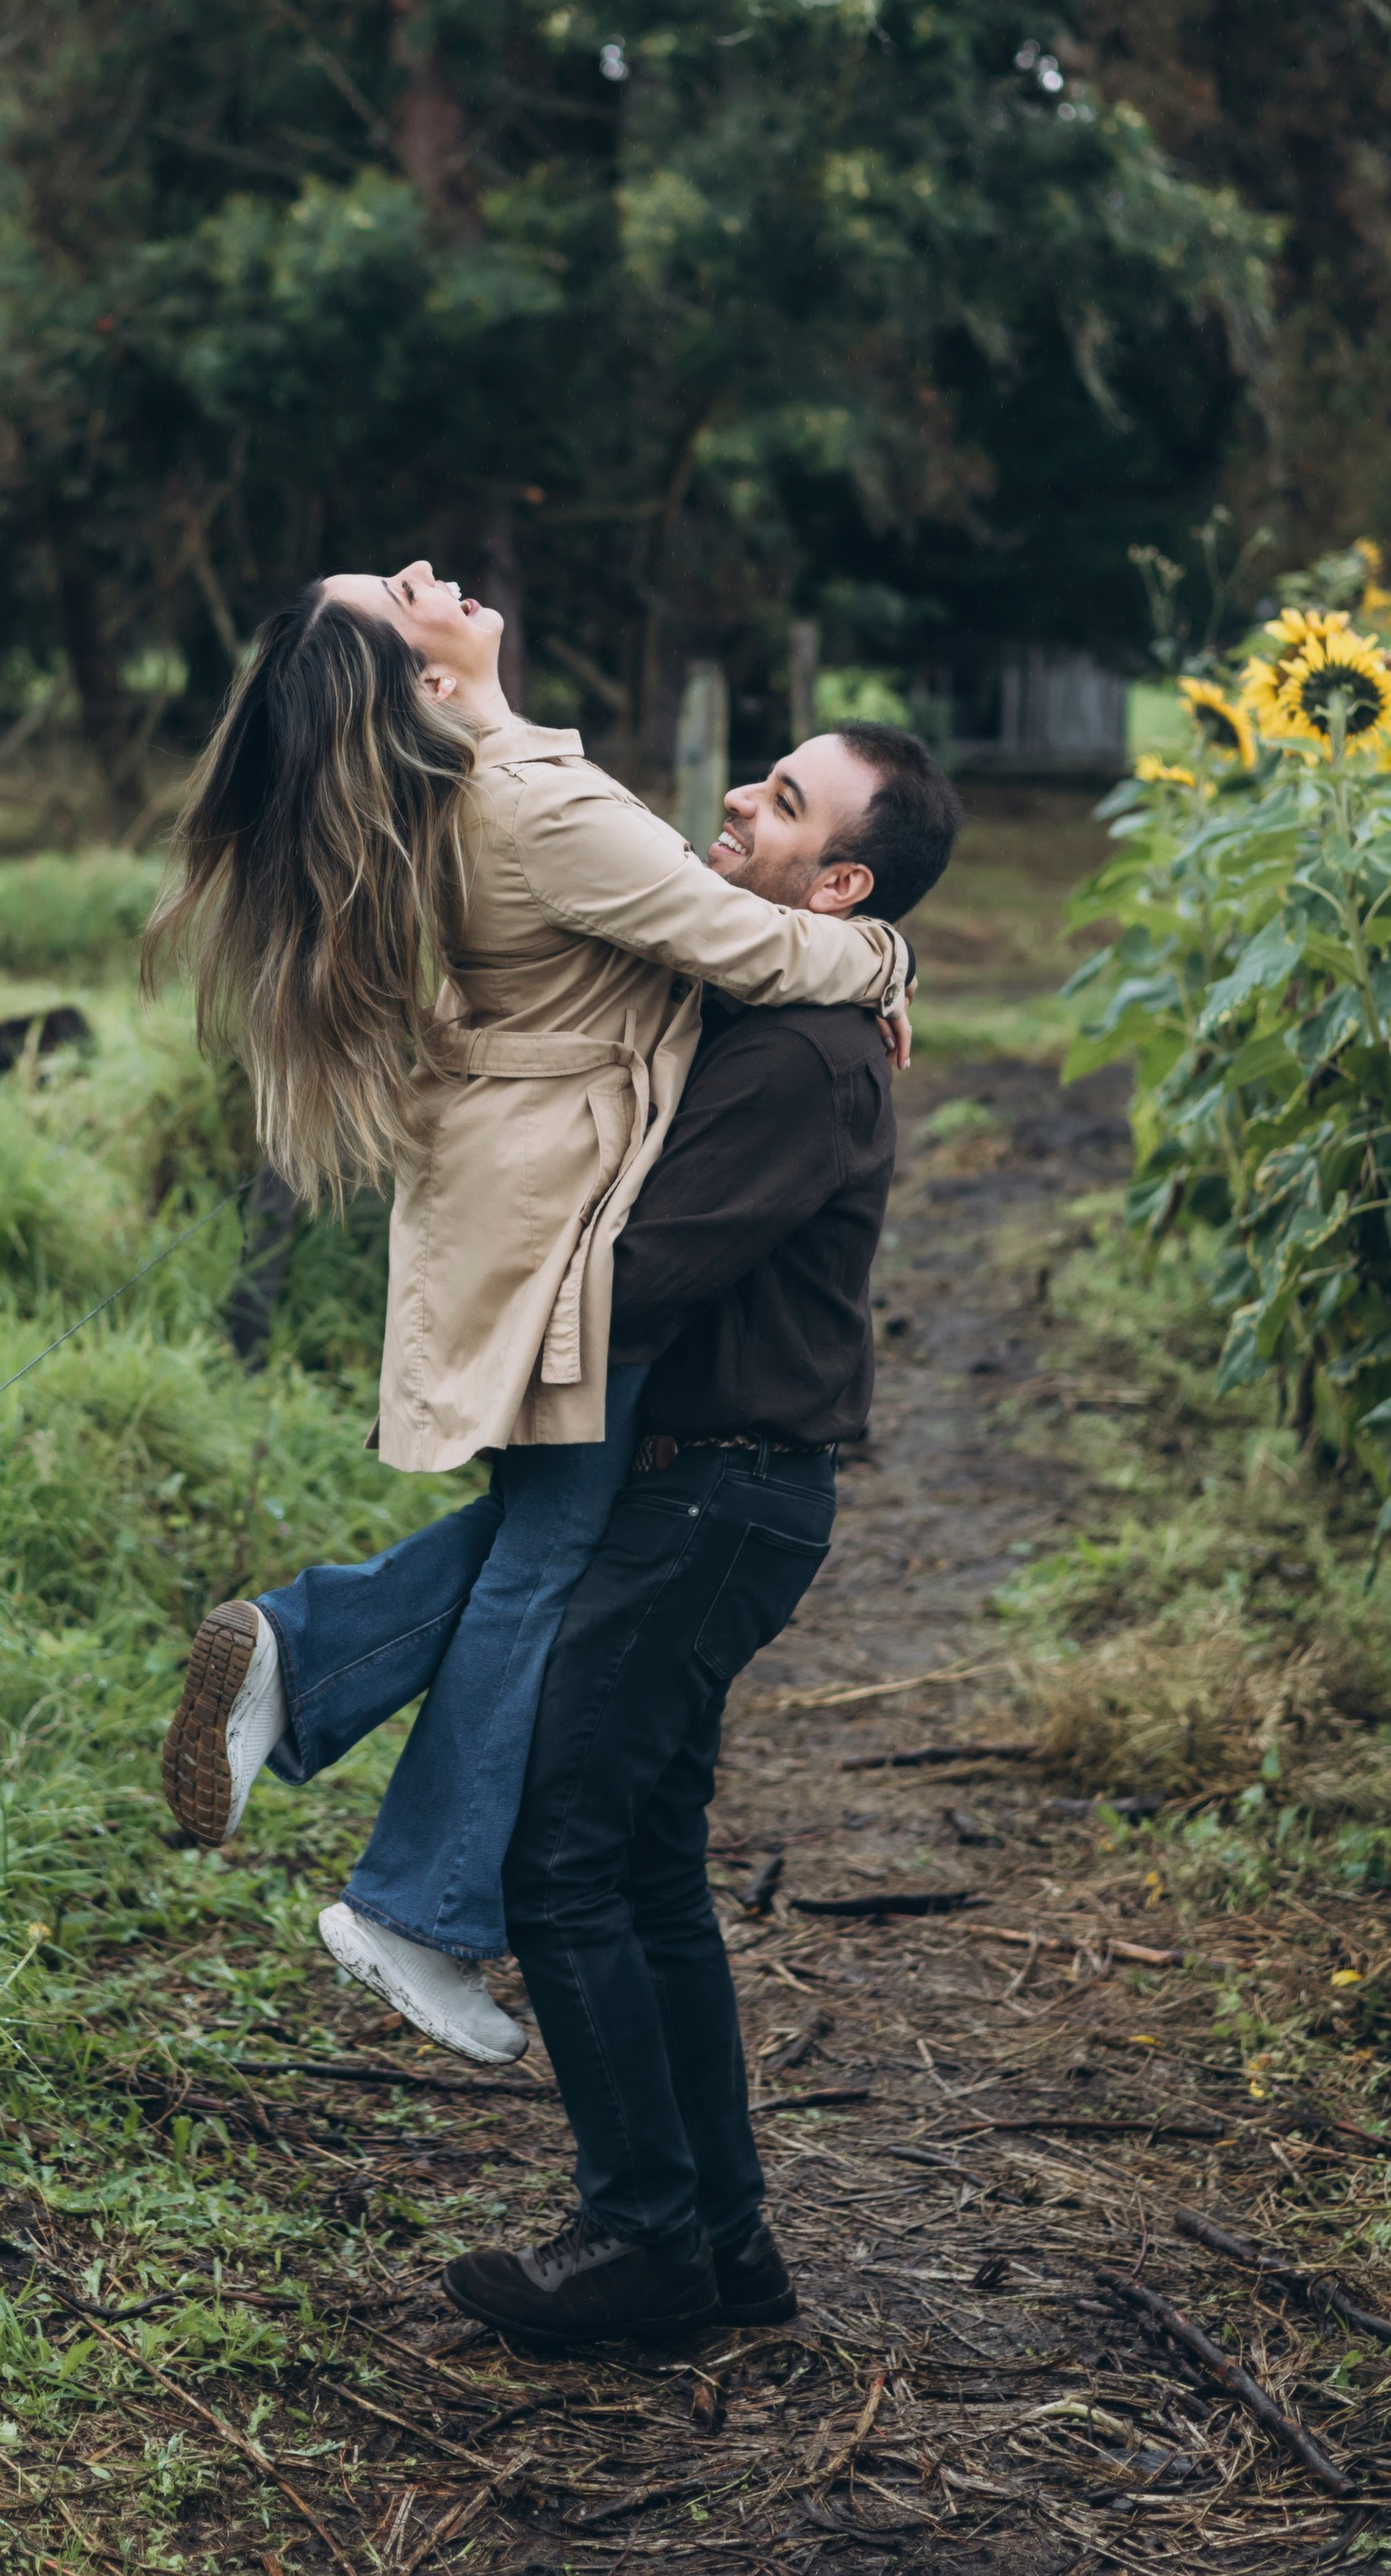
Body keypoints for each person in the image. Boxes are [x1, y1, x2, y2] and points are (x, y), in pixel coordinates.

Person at [149, 566, 915, 2060]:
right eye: (401, 591)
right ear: (423, 683)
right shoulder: (533, 807)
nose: (435, 572)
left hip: (536, 1178)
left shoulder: (492, 777)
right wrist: (884, 956)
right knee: (552, 1549)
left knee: (546, 1530)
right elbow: (751, 945)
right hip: (561, 1195)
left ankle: (312, 1659)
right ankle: (416, 1901)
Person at [440, 720, 963, 2344]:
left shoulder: (802, 1058)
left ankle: (641, 2238)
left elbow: (640, 1270)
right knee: (649, 1863)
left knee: (562, 1854)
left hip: (713, 1494)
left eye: (786, 801)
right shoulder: (794, 1010)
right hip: (716, 1487)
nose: (744, 798)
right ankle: (724, 2243)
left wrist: (484, 1270)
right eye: (762, 776)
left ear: (841, 878)